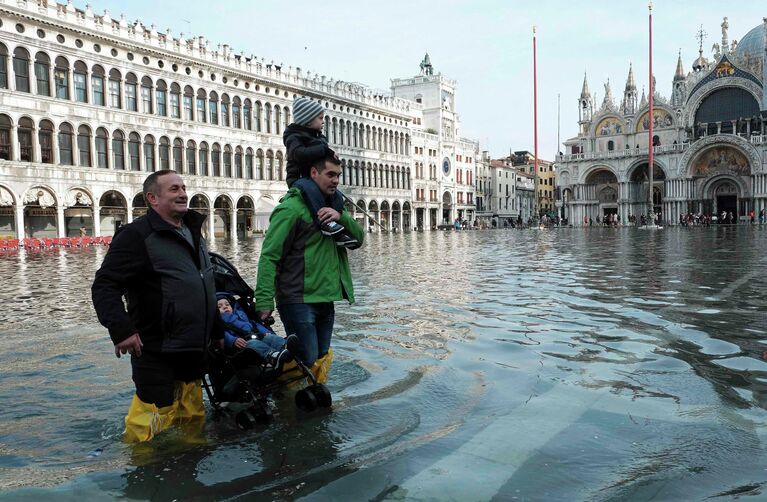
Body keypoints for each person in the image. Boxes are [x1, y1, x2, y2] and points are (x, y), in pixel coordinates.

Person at [91, 170, 220, 442]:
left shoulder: (194, 231)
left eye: (184, 187)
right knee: (149, 421)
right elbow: (105, 285)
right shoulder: (136, 236)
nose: (183, 193)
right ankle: (141, 474)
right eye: (173, 189)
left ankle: (189, 466)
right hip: (156, 347)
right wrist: (121, 330)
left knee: (191, 416)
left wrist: (217, 332)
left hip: (194, 346)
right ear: (152, 198)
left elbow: (205, 286)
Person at [255, 154, 364, 380]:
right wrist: (264, 300)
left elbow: (358, 239)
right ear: (314, 173)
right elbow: (269, 256)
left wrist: (341, 216)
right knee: (306, 356)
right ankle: (275, 385)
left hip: (326, 297)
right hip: (298, 299)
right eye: (330, 174)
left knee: (320, 355)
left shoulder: (333, 208)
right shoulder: (291, 209)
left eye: (338, 175)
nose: (335, 180)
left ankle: (307, 398)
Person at [283, 96, 358, 249]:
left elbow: (322, 158)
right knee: (312, 191)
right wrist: (323, 150)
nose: (323, 121)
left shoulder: (319, 137)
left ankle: (337, 224)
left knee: (336, 194)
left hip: (313, 177)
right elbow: (298, 154)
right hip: (299, 178)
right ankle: (325, 222)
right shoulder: (294, 136)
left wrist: (330, 155)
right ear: (308, 119)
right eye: (320, 118)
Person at [216, 295, 292, 367]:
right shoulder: (219, 323)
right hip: (243, 345)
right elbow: (222, 335)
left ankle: (286, 347)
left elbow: (255, 325)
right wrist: (233, 340)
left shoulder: (241, 315)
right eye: (220, 306)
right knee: (253, 344)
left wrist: (265, 332)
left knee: (270, 338)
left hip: (257, 337)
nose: (225, 307)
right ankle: (272, 356)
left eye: (227, 304)